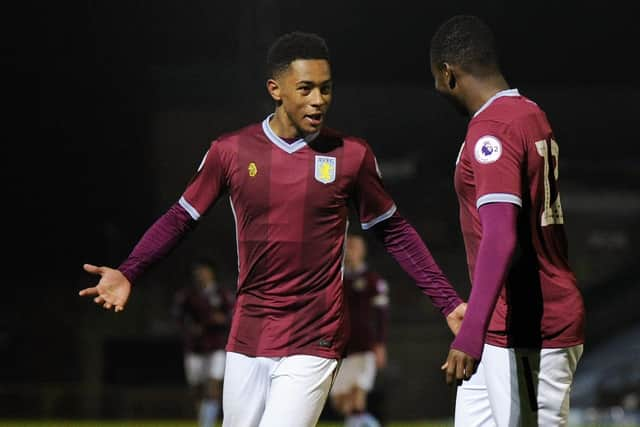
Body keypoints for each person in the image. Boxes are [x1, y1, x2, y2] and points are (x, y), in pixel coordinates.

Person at [79, 31, 467, 427]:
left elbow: (395, 231)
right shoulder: (231, 151)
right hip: (249, 335)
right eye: (306, 89)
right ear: (276, 89)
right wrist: (130, 270)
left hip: (316, 335)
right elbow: (181, 217)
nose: (319, 100)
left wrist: (449, 302)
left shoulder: (351, 155)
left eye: (326, 89)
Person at [429, 15, 586, 427]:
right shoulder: (528, 112)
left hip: (531, 329)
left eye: (434, 77)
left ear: (448, 73)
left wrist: (469, 332)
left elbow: (501, 237)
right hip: (503, 326)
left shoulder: (493, 128)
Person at [329, 234, 389, 427]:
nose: (350, 251)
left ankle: (361, 421)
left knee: (358, 388)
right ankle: (362, 419)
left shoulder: (373, 281)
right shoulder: (335, 281)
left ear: (362, 251)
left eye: (354, 247)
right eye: (348, 247)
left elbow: (381, 314)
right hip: (340, 346)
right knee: (340, 400)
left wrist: (380, 344)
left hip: (365, 344)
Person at [171, 257, 234, 427]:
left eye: (204, 271)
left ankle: (207, 423)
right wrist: (189, 328)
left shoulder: (222, 293)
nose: (201, 275)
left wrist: (222, 319)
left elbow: (233, 315)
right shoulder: (187, 295)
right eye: (198, 272)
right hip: (195, 348)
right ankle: (202, 421)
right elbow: (178, 317)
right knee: (197, 389)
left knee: (213, 386)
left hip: (216, 346)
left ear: (211, 273)